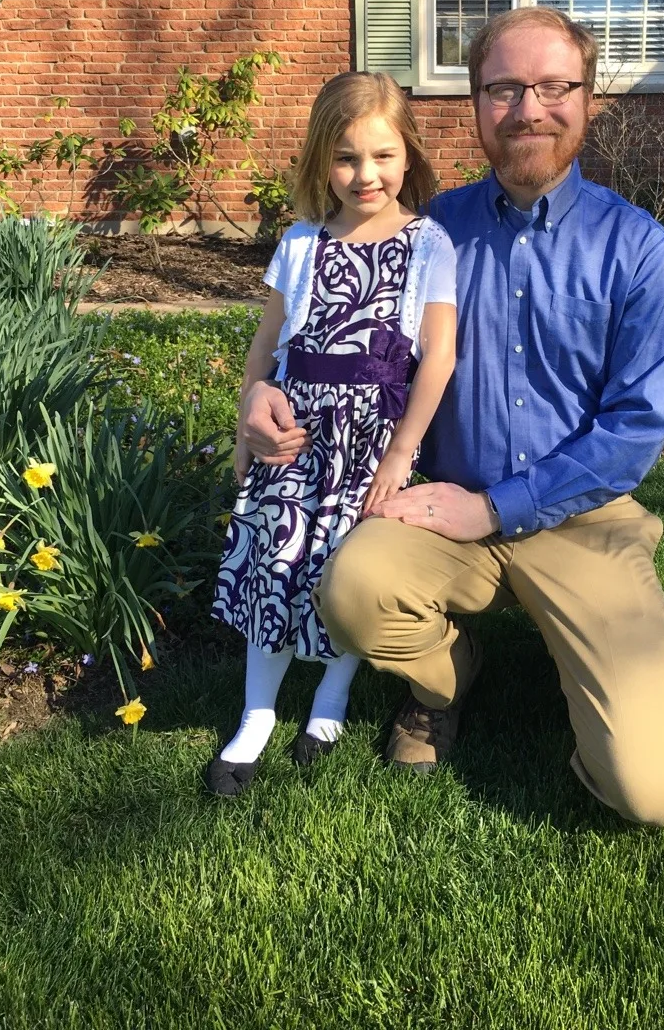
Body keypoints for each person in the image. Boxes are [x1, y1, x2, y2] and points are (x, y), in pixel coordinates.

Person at [240, 7, 664, 827]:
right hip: (440, 505)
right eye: (504, 89)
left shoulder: (637, 250)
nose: (529, 109)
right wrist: (258, 392)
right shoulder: (426, 234)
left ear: (588, 100)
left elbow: (634, 432)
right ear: (475, 105)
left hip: (581, 517)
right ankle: (445, 675)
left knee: (653, 793)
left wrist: (496, 508)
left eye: (554, 86)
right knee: (351, 590)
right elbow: (314, 313)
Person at [205, 71, 457, 796]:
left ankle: (331, 696)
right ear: (322, 162)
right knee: (275, 563)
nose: (365, 174)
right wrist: (245, 421)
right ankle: (256, 712)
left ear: (408, 155)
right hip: (295, 432)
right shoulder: (301, 243)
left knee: (342, 569)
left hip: (372, 441)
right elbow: (266, 343)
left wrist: (402, 453)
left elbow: (439, 356)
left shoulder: (428, 244)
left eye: (382, 156)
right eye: (346, 158)